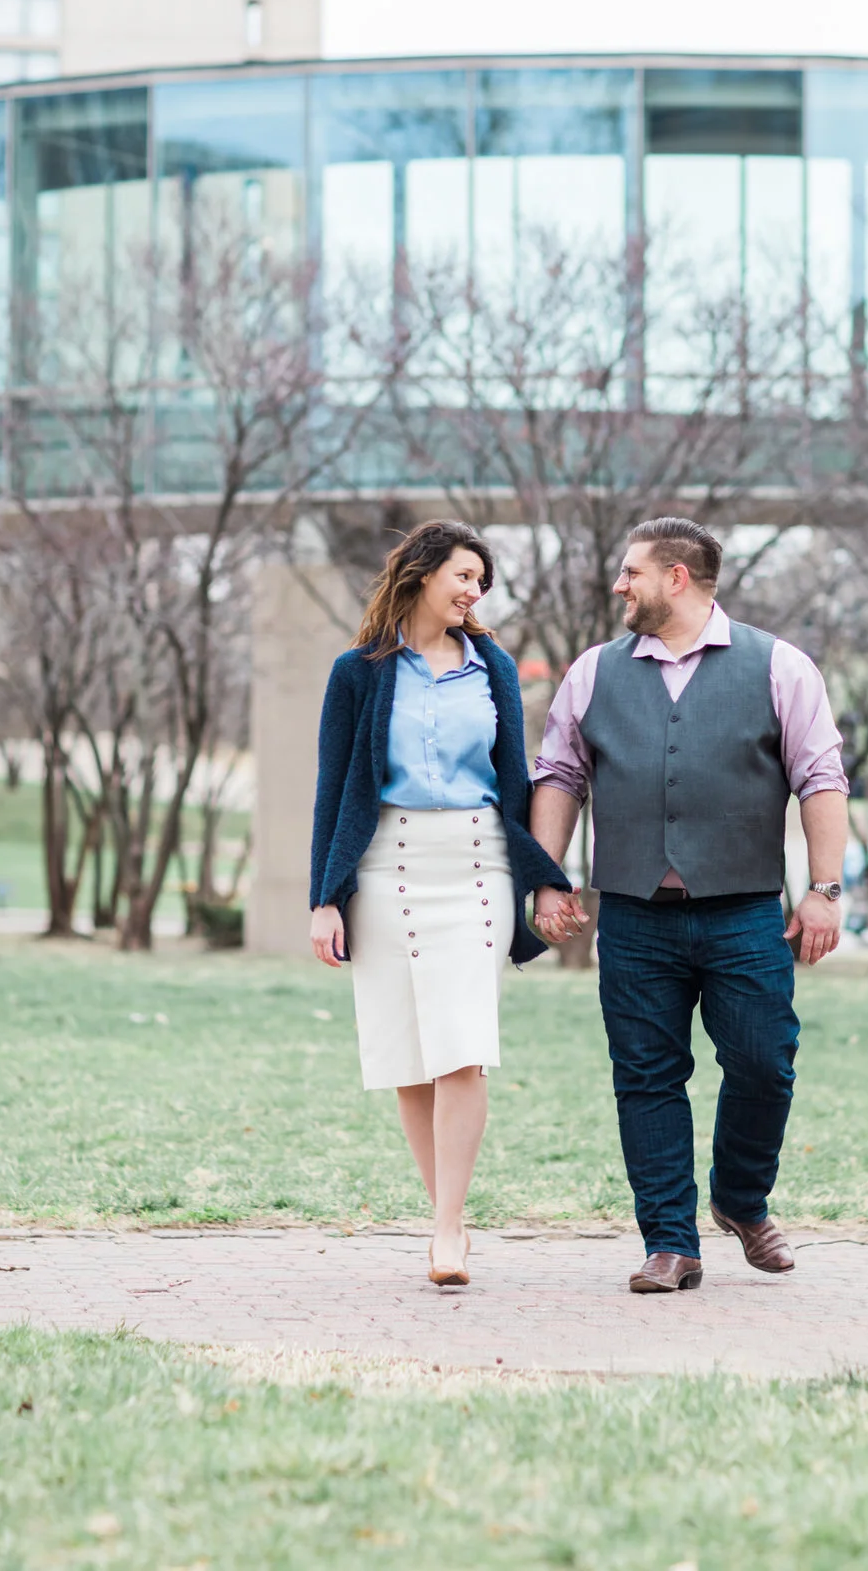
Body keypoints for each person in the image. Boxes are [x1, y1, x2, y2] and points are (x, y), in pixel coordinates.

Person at [526, 516, 849, 1295]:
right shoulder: (593, 672)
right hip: (634, 914)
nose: (619, 584)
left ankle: (741, 1198)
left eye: (631, 571)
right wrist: (547, 877)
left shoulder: (780, 666)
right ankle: (670, 1241)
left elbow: (821, 778)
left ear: (677, 578)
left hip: (745, 912)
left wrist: (825, 889)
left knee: (765, 1062)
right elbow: (560, 775)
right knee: (645, 1076)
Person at [309, 519, 573, 1287]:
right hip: (384, 865)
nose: (473, 592)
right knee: (409, 1058)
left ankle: (448, 1227)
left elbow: (515, 780)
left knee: (462, 1048)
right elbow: (333, 788)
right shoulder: (357, 672)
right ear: (422, 572)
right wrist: (325, 897)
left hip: (475, 865)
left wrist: (543, 875)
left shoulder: (493, 667)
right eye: (463, 576)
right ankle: (444, 1218)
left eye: (482, 583)